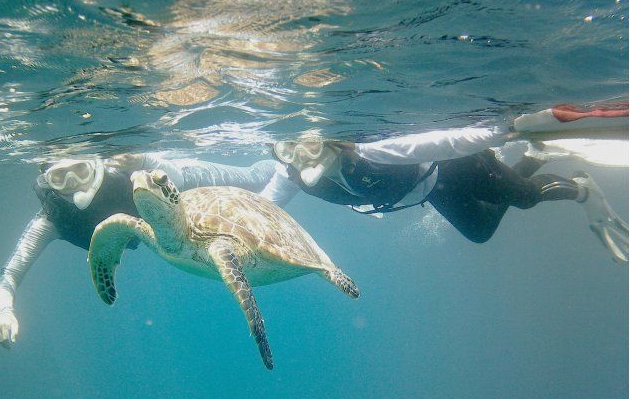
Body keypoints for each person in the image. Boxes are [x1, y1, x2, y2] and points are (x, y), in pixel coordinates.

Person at [0, 152, 275, 347]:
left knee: (256, 178)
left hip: (181, 183)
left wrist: (144, 159)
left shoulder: (128, 174)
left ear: (96, 164)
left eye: (80, 170)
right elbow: (9, 273)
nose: (73, 183)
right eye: (59, 178)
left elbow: (173, 178)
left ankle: (278, 161)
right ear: (47, 182)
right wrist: (4, 312)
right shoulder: (51, 219)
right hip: (148, 231)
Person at [260, 111, 628, 261]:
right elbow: (260, 208)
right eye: (288, 150)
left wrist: (507, 129)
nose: (303, 157)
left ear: (327, 140)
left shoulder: (371, 150)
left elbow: (443, 143)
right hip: (430, 190)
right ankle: (536, 158)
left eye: (309, 145)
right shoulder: (289, 176)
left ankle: (582, 187)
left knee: (527, 198)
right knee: (481, 232)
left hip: (454, 167)